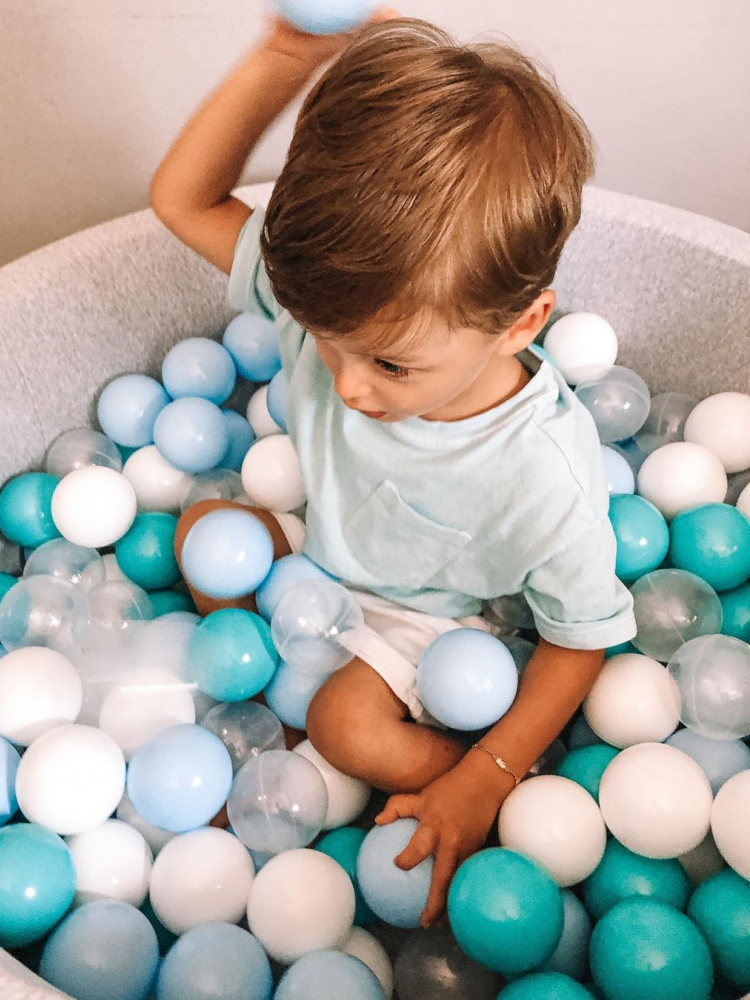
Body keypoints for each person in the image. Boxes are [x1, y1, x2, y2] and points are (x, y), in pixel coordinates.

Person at [150, 9, 637, 927]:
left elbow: (580, 640)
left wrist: (490, 773)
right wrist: (288, 54)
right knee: (205, 530)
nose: (347, 384)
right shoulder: (352, 302)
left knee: (345, 726)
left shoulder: (540, 474)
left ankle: (463, 779)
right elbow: (184, 199)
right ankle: (291, 708)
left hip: (437, 615)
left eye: (389, 365)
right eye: (325, 340)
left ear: (521, 324)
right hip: (325, 561)